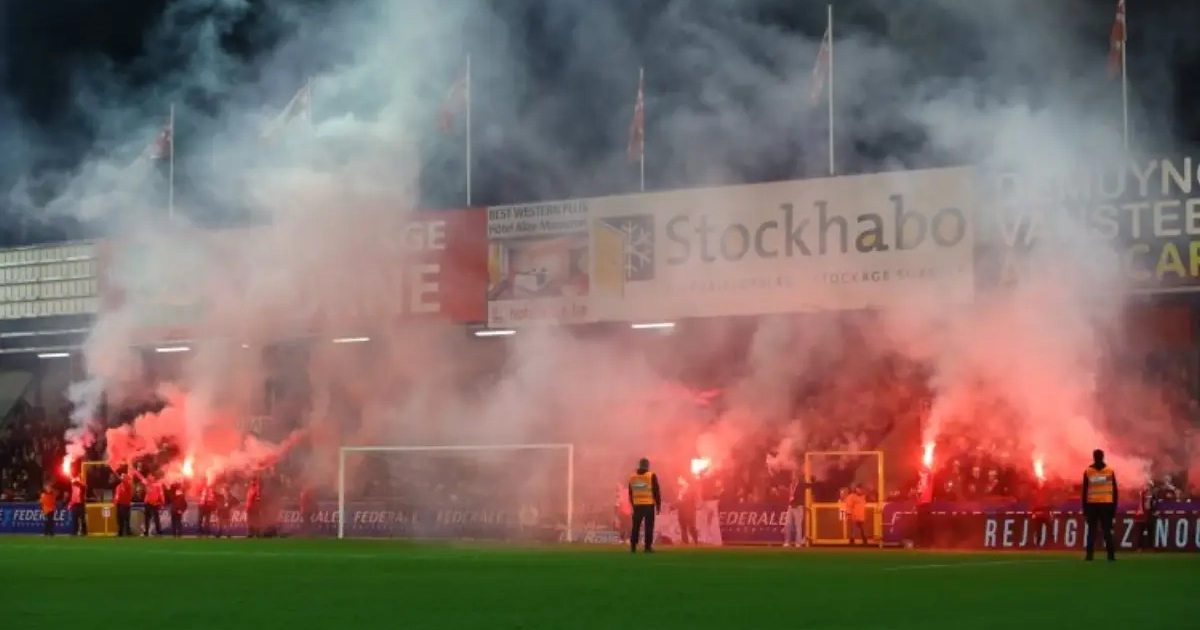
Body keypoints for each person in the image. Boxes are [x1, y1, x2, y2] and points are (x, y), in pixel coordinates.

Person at [1082, 449, 1118, 562]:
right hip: (1106, 505)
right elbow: (1115, 491)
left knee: (1091, 531)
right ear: (1103, 457)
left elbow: (1084, 492)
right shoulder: (1109, 471)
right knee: (1107, 531)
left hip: (1092, 505)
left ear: (1094, 457)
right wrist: (1114, 509)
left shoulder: (1088, 471)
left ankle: (1089, 556)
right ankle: (1111, 556)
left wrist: (1085, 510)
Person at [627, 458, 661, 553]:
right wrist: (658, 505)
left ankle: (633, 547)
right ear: (647, 466)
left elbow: (630, 492)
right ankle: (647, 547)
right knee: (648, 527)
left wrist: (633, 503)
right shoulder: (651, 476)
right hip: (648, 504)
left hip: (637, 505)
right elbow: (656, 491)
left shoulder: (632, 477)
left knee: (635, 526)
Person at [782, 474, 808, 548]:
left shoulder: (801, 484)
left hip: (798, 506)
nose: (793, 477)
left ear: (797, 477)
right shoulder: (791, 485)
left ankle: (798, 543)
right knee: (788, 524)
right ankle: (787, 542)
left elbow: (808, 486)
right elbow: (790, 495)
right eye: (792, 476)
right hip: (791, 506)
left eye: (794, 476)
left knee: (798, 525)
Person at [676, 481, 699, 546]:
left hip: (688, 514)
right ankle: (686, 542)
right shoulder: (681, 493)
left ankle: (695, 541)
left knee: (691, 528)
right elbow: (679, 502)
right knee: (684, 528)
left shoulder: (690, 494)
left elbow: (682, 502)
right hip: (682, 513)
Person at [114, 469, 134, 537]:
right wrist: (115, 502)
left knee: (126, 519)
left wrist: (124, 480)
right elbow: (117, 495)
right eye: (121, 477)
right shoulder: (118, 486)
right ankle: (120, 533)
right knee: (120, 519)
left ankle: (128, 532)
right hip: (119, 505)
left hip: (125, 505)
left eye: (123, 477)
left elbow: (127, 487)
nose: (121, 478)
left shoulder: (128, 485)